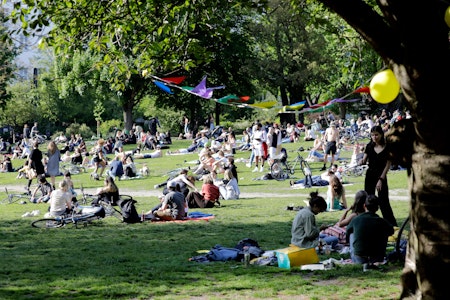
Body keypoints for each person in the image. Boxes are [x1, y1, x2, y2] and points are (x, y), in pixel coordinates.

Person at [360, 125, 397, 226]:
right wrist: (361, 161)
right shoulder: (369, 146)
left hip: (381, 175)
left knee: (383, 201)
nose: (374, 137)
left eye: (376, 135)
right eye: (372, 135)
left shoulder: (387, 147)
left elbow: (388, 165)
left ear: (381, 134)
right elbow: (364, 159)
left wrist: (381, 179)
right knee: (368, 200)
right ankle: (368, 223)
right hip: (370, 175)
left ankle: (391, 225)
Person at [345, 194, 394, 266]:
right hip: (377, 257)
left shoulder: (356, 219)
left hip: (359, 258)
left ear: (364, 206)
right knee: (384, 231)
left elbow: (347, 232)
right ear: (377, 208)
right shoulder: (382, 221)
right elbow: (391, 231)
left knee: (352, 233)